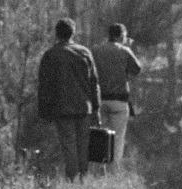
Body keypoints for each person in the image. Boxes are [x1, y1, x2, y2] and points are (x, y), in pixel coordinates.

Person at [37, 18, 100, 180]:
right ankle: (84, 178)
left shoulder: (51, 55)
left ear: (56, 34)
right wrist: (96, 107)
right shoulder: (85, 52)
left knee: (69, 144)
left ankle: (72, 179)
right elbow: (94, 82)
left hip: (62, 107)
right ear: (73, 32)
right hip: (84, 106)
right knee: (83, 144)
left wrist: (44, 111)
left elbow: (44, 85)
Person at [90, 23, 141, 167]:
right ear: (120, 36)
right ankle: (114, 170)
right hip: (119, 100)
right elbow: (136, 69)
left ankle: (98, 169)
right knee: (117, 139)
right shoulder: (124, 51)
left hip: (100, 99)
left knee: (99, 137)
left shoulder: (96, 50)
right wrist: (128, 50)